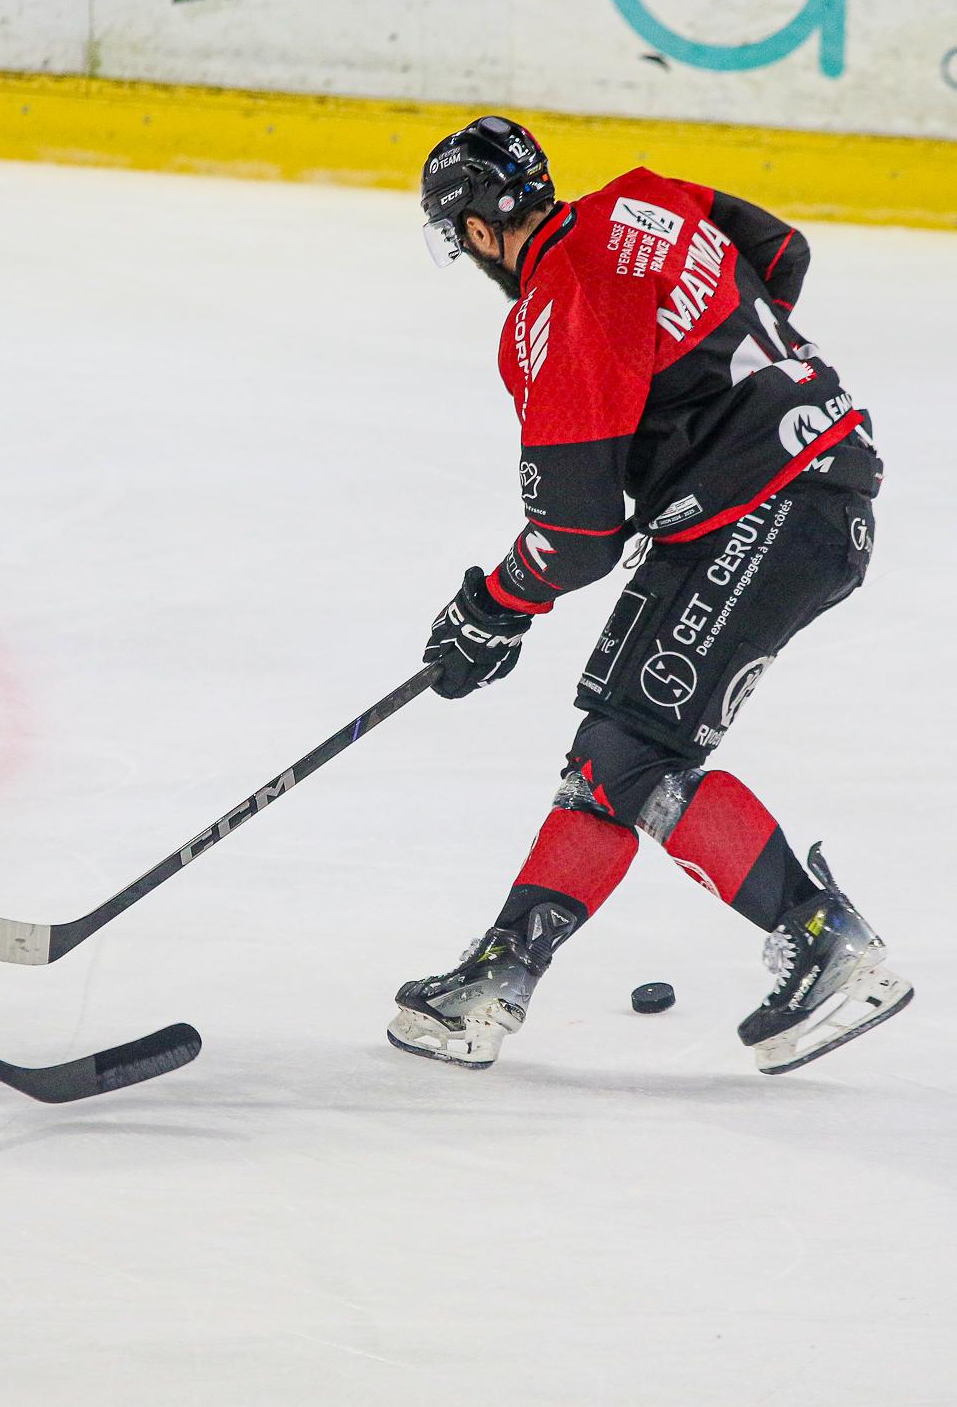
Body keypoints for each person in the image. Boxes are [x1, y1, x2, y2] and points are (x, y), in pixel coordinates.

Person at [387, 115, 912, 1075]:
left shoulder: (554, 308)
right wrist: (697, 400)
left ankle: (828, 939)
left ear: (473, 229)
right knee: (621, 754)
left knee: (628, 750)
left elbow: (578, 538)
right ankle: (499, 980)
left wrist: (492, 607)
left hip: (765, 507)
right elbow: (779, 253)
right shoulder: (644, 197)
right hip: (804, 485)